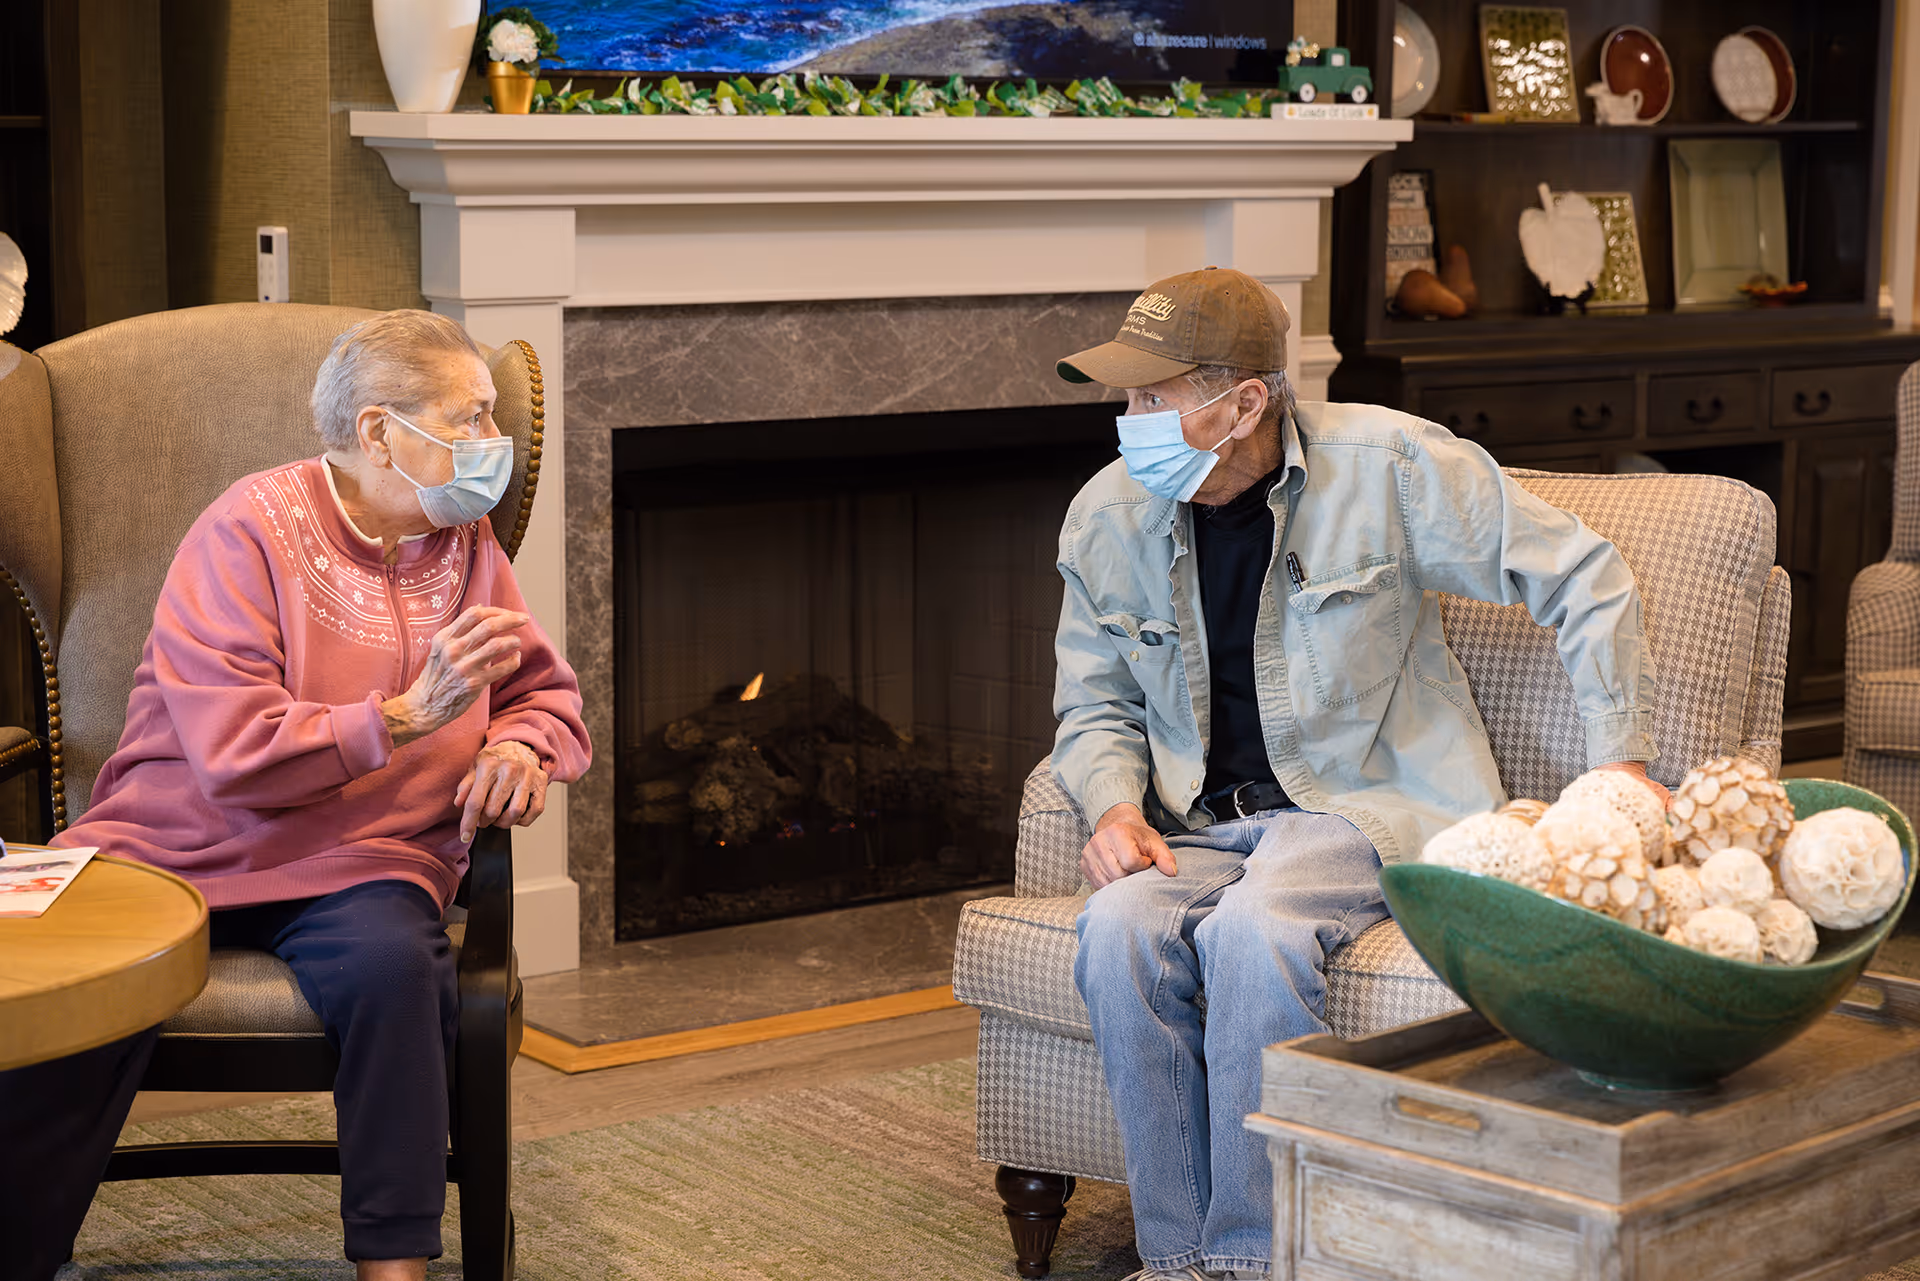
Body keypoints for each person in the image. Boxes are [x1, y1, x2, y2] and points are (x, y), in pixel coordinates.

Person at [1050, 267, 1665, 1281]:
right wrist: (1114, 806)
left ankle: (1261, 1260)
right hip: (1196, 821)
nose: (1129, 422)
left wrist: (1623, 765)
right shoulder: (1106, 515)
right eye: (1127, 398)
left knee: (1258, 929)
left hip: (1359, 807)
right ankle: (1177, 1261)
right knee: (1116, 927)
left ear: (1244, 401)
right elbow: (1095, 700)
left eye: (1153, 399)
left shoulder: (1391, 465)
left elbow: (1583, 574)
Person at [0, 310, 591, 1281]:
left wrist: (523, 749)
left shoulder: (466, 539)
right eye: (469, 417)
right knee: (73, 999)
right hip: (178, 846)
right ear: (376, 431)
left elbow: (540, 689)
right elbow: (233, 754)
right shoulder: (246, 528)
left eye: (494, 416)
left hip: (367, 861)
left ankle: (393, 1268)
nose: (495, 444)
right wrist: (404, 717)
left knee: (396, 973)